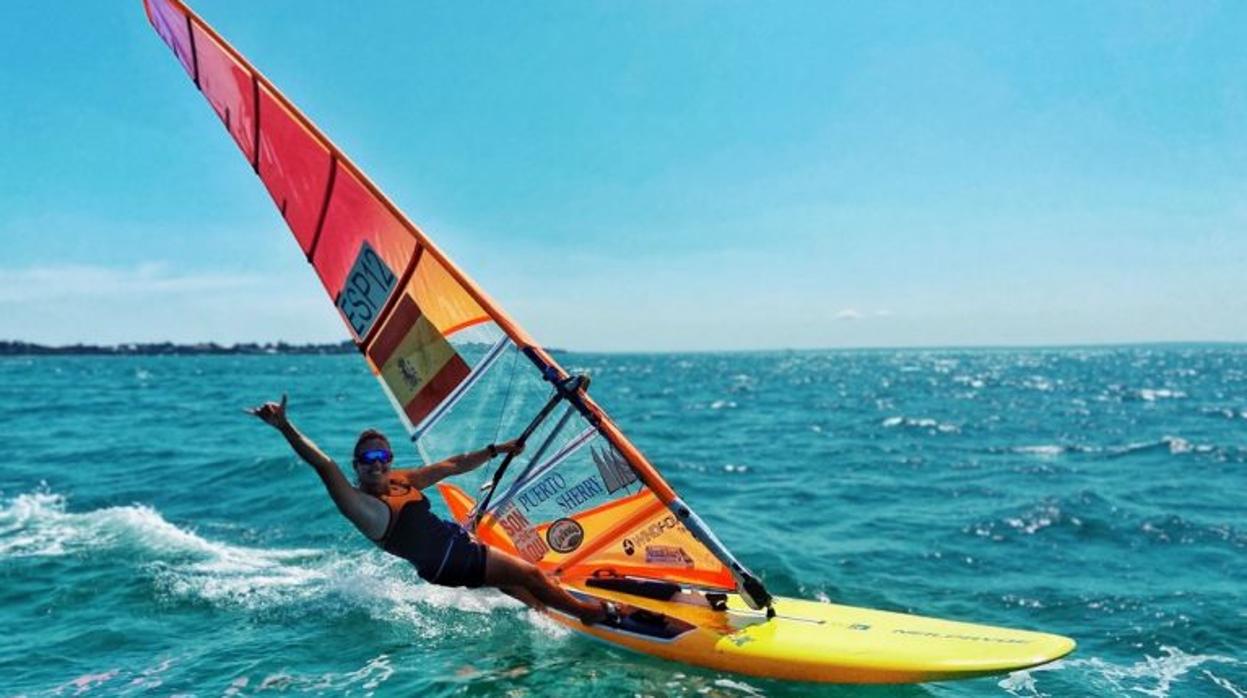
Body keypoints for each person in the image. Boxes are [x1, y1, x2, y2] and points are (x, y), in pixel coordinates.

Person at [248, 394, 613, 624]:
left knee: (525, 591)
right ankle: (591, 616)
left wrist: (496, 450)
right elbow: (324, 465)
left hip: (454, 551)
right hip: (452, 560)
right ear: (356, 465)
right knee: (531, 575)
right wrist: (285, 428)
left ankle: (550, 616)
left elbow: (450, 466)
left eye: (383, 457)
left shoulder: (399, 481)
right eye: (368, 459)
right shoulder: (361, 506)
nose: (377, 464)